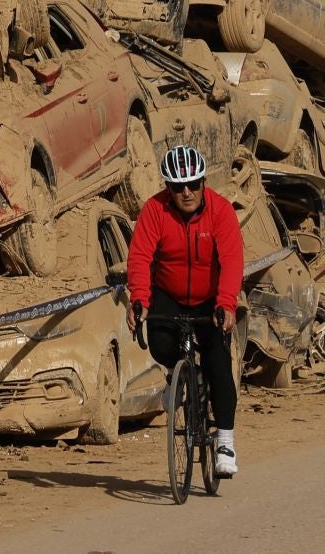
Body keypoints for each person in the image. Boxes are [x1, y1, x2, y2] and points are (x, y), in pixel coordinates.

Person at [125, 143, 245, 477]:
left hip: (211, 296)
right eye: (178, 187)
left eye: (193, 184)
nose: (187, 192)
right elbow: (139, 257)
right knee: (162, 344)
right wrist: (140, 300)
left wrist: (226, 304)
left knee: (218, 364)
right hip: (169, 292)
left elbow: (233, 260)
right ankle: (176, 379)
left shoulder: (221, 212)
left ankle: (224, 441)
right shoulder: (154, 211)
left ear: (204, 182)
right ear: (168, 188)